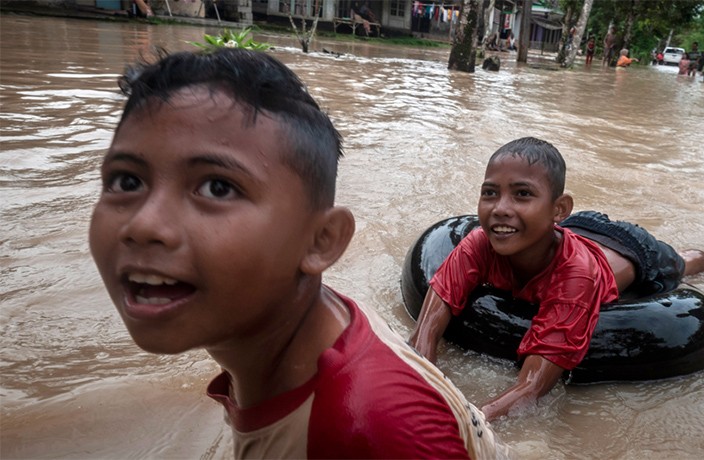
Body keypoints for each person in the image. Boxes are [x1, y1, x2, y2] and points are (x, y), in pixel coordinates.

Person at [88, 48, 508, 459]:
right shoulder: (285, 340)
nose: (143, 225)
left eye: (217, 188)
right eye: (126, 182)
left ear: (321, 241)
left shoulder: (372, 429)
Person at [408, 137, 704, 422]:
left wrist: (467, 423)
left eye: (522, 194)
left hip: (631, 247)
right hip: (576, 227)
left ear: (558, 208)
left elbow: (531, 387)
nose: (500, 209)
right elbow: (424, 335)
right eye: (490, 193)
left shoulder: (575, 276)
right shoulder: (479, 242)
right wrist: (419, 391)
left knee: (687, 263)